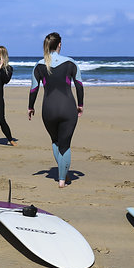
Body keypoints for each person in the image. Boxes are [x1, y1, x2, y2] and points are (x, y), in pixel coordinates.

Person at [28, 33, 84, 188]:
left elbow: (34, 89)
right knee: (65, 144)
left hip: (48, 109)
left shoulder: (39, 65)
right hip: (67, 107)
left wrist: (30, 107)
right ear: (60, 44)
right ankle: (61, 179)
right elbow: (79, 84)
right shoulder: (71, 62)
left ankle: (62, 174)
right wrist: (80, 104)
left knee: (55, 140)